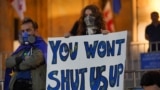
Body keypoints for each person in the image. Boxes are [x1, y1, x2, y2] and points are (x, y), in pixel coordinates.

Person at [4, 17, 47, 90]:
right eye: (23, 31)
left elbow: (35, 60)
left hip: (31, 86)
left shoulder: (41, 46)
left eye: (28, 30)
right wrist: (20, 59)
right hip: (16, 85)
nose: (25, 34)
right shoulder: (21, 48)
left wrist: (18, 66)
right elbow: (8, 62)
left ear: (36, 31)